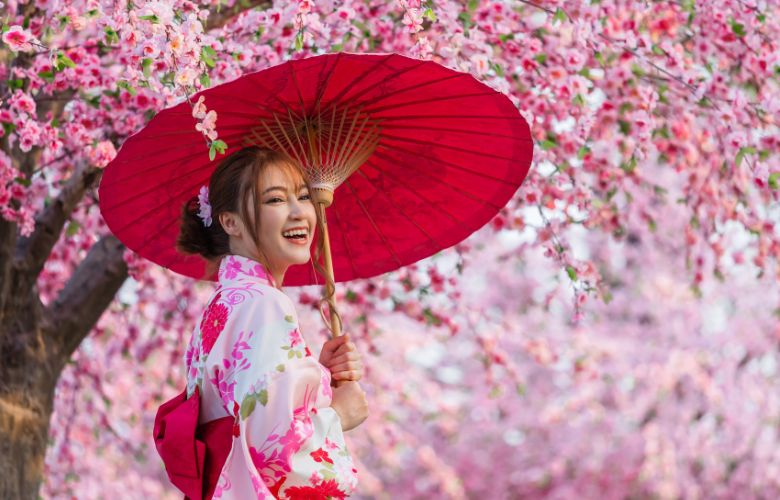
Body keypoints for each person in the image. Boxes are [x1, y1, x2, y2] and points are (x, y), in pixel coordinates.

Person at [175, 146, 369, 499]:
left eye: (303, 196)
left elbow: (250, 410)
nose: (299, 212)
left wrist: (319, 381)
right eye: (276, 200)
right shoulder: (264, 304)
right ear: (230, 221)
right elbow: (271, 448)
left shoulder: (227, 302)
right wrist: (338, 415)